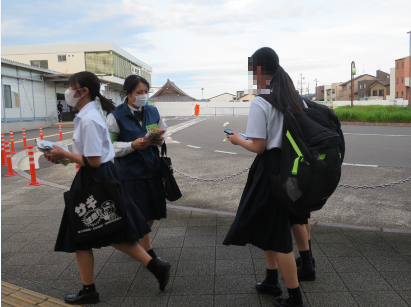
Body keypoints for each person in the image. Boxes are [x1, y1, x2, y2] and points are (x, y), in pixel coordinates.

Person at [45, 71, 170, 305]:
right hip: (99, 175)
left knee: (84, 234)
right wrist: (62, 155)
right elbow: (92, 153)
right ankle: (154, 266)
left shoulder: (90, 119)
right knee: (108, 231)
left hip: (94, 177)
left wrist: (65, 154)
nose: (68, 91)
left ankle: (90, 289)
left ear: (83, 91)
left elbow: (93, 160)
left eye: (71, 87)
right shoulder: (89, 115)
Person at [223, 47, 308, 307]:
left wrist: (238, 140)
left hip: (270, 171)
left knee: (279, 238)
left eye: (252, 71)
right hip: (294, 169)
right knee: (269, 228)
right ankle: (271, 280)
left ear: (260, 71)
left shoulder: (261, 102)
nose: (252, 76)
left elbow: (258, 146)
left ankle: (294, 297)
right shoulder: (296, 99)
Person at [105, 75, 168, 263]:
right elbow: (109, 147)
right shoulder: (115, 115)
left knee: (152, 211)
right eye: (139, 92)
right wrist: (131, 145)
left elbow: (162, 131)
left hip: (152, 169)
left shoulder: (153, 111)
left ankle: (140, 241)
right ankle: (148, 252)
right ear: (128, 94)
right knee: (139, 212)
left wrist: (159, 139)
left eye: (146, 92)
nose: (143, 96)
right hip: (129, 173)